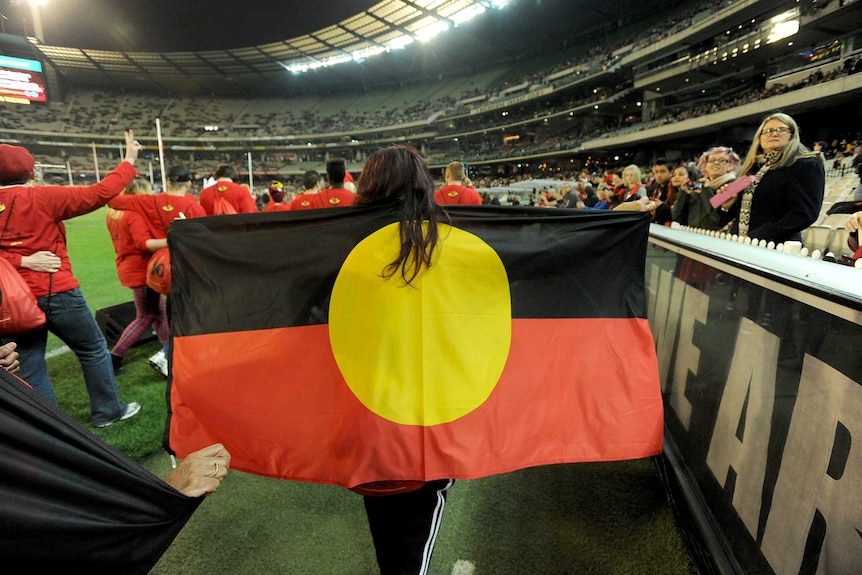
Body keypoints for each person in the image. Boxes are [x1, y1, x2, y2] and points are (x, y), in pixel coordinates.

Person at [353, 145, 455, 575]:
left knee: (388, 537)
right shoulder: (451, 245)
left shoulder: (338, 248)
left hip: (365, 417)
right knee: (409, 551)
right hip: (425, 420)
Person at [0, 131, 142, 428]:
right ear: (30, 171)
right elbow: (101, 192)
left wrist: (18, 260)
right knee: (91, 349)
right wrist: (129, 160)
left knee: (28, 364)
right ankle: (108, 412)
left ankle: (52, 430)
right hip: (56, 290)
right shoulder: (42, 196)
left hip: (9, 302)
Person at [108, 165, 206, 377]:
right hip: (171, 268)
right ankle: (162, 355)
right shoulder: (192, 206)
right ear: (188, 183)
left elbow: (111, 199)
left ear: (167, 181)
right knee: (165, 315)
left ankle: (168, 354)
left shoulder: (146, 203)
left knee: (159, 315)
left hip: (151, 267)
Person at [719, 112, 825, 243]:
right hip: (742, 244)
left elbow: (804, 214)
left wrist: (756, 236)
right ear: (759, 138)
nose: (774, 134)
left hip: (776, 246)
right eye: (768, 131)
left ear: (792, 135)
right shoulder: (751, 169)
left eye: (781, 130)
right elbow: (735, 214)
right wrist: (726, 206)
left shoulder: (805, 164)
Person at [105, 177, 168, 375]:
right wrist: (171, 240)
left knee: (158, 313)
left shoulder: (113, 213)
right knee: (146, 316)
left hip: (128, 266)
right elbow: (143, 243)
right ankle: (113, 358)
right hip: (141, 269)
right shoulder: (133, 215)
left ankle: (170, 352)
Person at [670, 163, 722, 230]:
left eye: (681, 174)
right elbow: (676, 217)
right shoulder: (681, 194)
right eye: (673, 175)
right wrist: (682, 193)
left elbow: (714, 215)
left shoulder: (700, 193)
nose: (676, 177)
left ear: (690, 177)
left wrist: (706, 190)